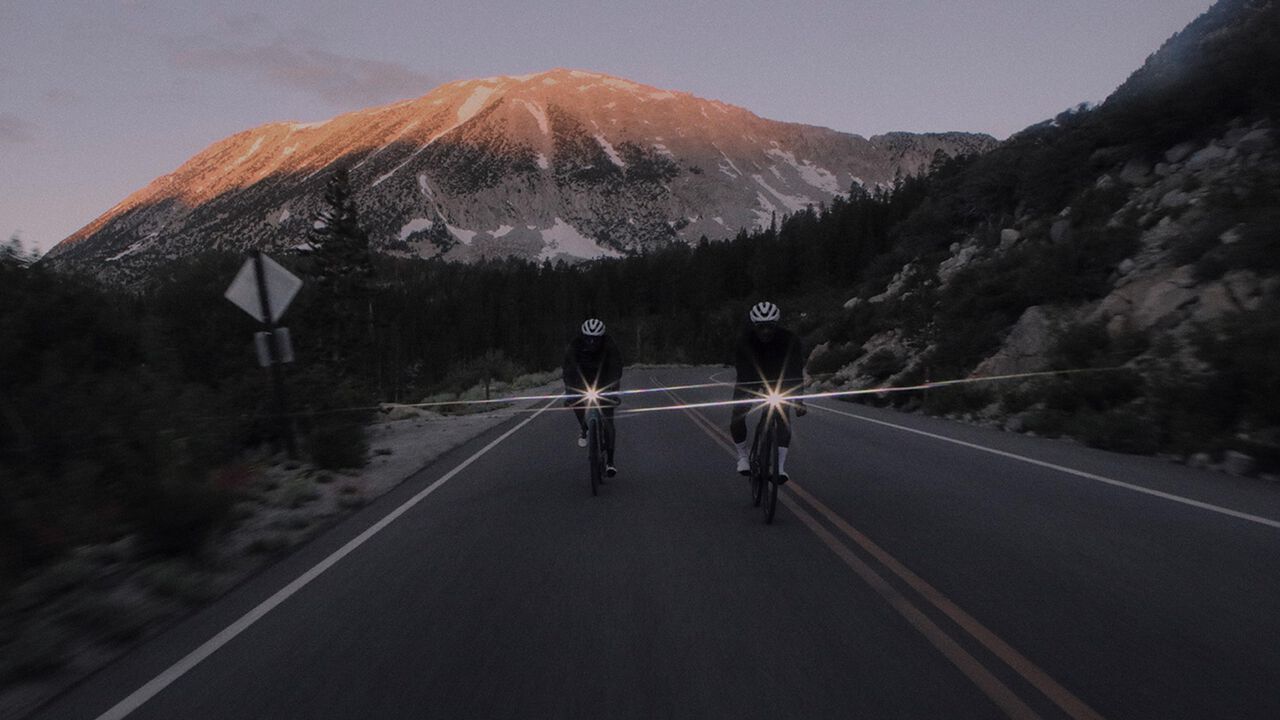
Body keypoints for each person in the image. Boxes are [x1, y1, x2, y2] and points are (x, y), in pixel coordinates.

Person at [730, 301, 806, 482]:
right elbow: (743, 370)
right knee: (738, 413)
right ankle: (742, 456)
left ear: (776, 325)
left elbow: (795, 370)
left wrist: (798, 400)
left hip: (779, 377)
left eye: (769, 327)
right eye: (761, 327)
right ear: (754, 326)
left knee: (783, 416)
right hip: (752, 376)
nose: (765, 331)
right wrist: (747, 394)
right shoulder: (744, 340)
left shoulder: (790, 340)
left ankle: (779, 468)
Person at [563, 318, 623, 477]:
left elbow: (616, 366)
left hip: (603, 379)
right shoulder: (575, 345)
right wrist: (571, 390)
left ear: (601, 337)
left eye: (595, 338)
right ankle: (584, 426)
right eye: (588, 338)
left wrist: (612, 387)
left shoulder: (609, 345)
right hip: (582, 378)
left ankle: (610, 462)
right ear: (583, 336)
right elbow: (569, 368)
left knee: (609, 421)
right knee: (574, 400)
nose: (592, 342)